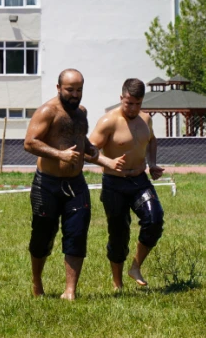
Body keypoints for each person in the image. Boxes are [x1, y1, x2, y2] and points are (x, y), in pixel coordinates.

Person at [23, 68, 111, 300]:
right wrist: (59, 155)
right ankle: (37, 283)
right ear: (59, 88)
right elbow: (30, 143)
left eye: (78, 90)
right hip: (47, 184)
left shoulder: (81, 113)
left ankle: (70, 290)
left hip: (76, 184)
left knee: (77, 234)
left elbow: (79, 137)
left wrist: (90, 148)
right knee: (43, 236)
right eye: (69, 90)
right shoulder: (47, 111)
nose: (74, 94)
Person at [88, 78, 166, 290]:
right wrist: (108, 162)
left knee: (155, 219)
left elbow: (151, 140)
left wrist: (152, 164)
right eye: (128, 103)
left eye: (137, 103)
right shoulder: (108, 121)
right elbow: (89, 150)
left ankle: (135, 266)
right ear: (121, 98)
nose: (133, 108)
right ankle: (117, 283)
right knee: (119, 232)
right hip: (114, 183)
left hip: (140, 180)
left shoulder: (145, 119)